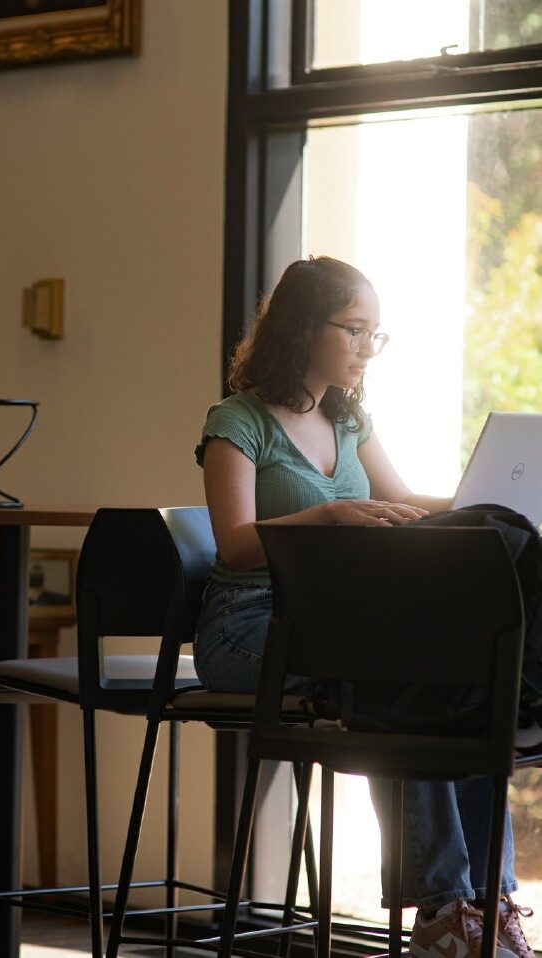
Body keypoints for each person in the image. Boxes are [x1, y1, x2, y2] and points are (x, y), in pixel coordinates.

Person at [193, 255, 534, 958]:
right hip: (249, 629)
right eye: (353, 330)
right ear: (301, 329)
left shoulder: (348, 417)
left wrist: (489, 496)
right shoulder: (237, 420)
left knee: (459, 685)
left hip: (330, 626)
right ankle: (443, 907)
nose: (365, 349)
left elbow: (403, 504)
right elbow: (232, 545)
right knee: (400, 686)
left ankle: (480, 902)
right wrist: (331, 516)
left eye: (374, 333)